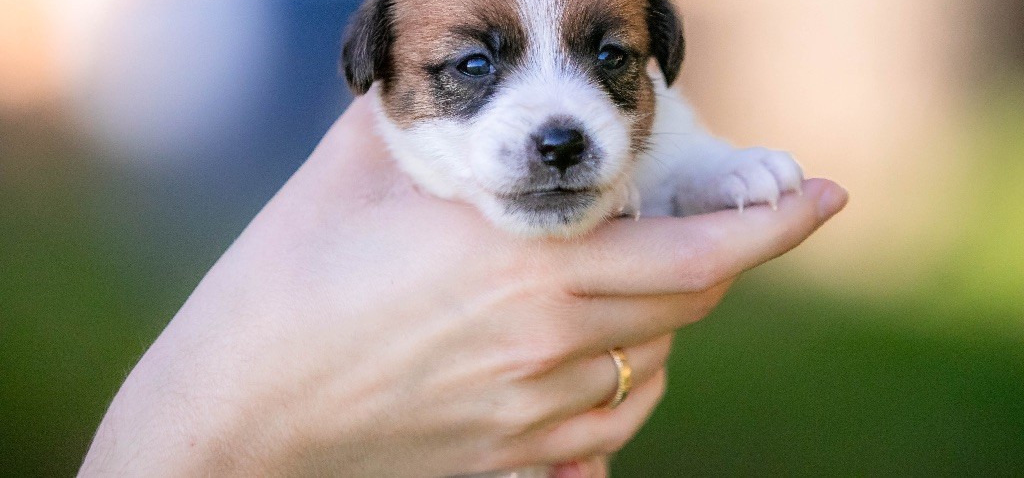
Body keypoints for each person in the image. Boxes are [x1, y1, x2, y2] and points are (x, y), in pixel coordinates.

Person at [79, 94, 847, 477]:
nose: (557, 120)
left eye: (606, 58)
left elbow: (691, 161)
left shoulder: (654, 120)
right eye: (477, 69)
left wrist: (715, 175)